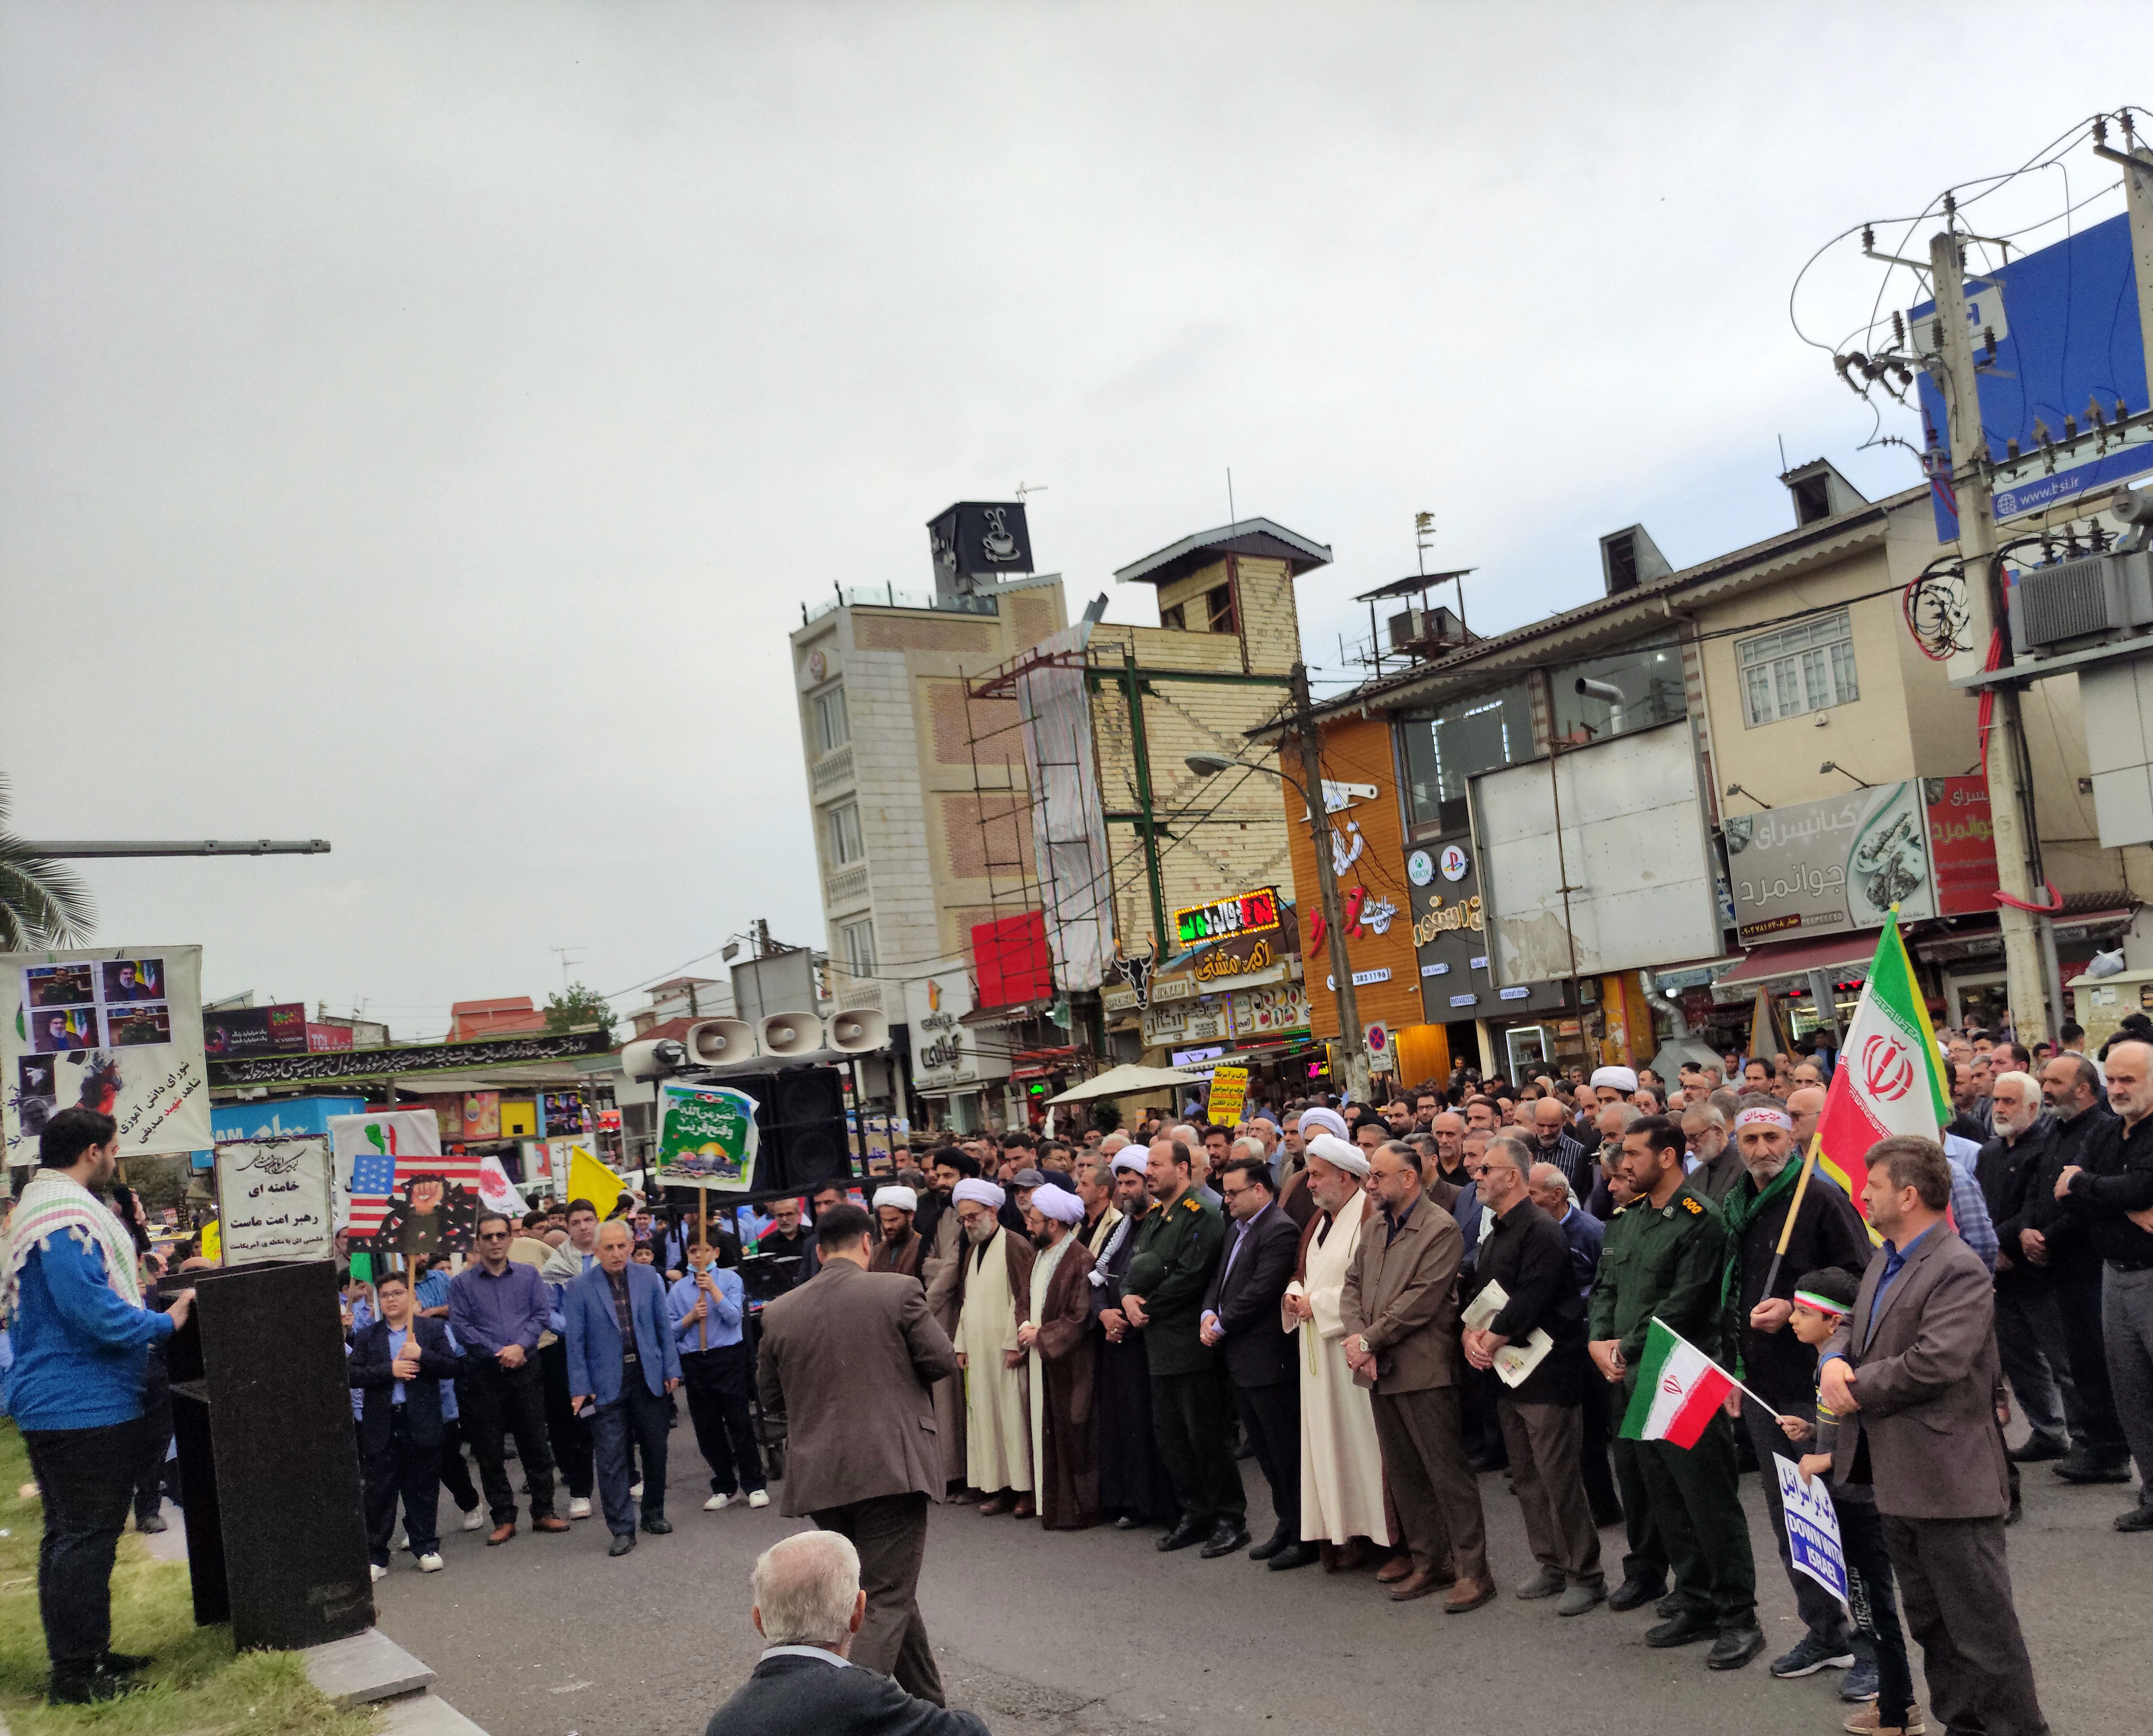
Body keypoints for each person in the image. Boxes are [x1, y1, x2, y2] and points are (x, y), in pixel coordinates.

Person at [1820, 1136, 2046, 1736]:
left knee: (1983, 1634)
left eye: (1873, 1185)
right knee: (1935, 1627)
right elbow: (1850, 1322)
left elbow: (1935, 1363)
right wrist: (1832, 1360)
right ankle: (1963, 1726)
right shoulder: (1886, 1256)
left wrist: (1856, 1384)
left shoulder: (1957, 1266)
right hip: (1898, 1478)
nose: (1862, 1194)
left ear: (1909, 1194)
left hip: (1950, 1482)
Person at [3, 1107, 194, 1705]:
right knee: (83, 1538)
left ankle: (87, 1653)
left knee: (75, 1536)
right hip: (79, 1403)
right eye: (114, 1147)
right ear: (92, 1151)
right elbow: (93, 1311)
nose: (117, 1157)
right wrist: (164, 1322)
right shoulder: (63, 1219)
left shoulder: (45, 1206)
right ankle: (78, 1675)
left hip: (68, 1400)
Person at [755, 1203, 961, 1706]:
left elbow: (770, 1398)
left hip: (821, 1473)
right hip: (891, 1464)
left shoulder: (780, 1310)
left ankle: (929, 1706)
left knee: (883, 1590)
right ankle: (839, 1707)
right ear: (867, 1243)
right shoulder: (896, 1290)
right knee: (886, 1594)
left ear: (820, 1250)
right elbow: (940, 1360)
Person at [1588, 1114, 1761, 1669]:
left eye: (1635, 1154)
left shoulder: (1698, 1220)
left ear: (1667, 1157)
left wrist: (1623, 1347)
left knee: (1708, 1499)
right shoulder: (1629, 1218)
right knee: (1665, 1495)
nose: (1624, 1165)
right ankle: (1697, 1595)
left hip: (1682, 1372)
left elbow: (1684, 1304)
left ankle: (1739, 1615)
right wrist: (1599, 1338)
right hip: (1636, 1372)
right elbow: (1608, 1285)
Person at [1719, 1097, 1873, 1682]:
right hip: (1760, 1382)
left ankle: (1871, 1644)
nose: (1761, 1149)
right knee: (1794, 1519)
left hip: (1817, 1383)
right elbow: (1734, 1290)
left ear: (1792, 1139)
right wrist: (1735, 1363)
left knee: (1844, 1518)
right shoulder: (1739, 1201)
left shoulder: (1820, 1195)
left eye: (1770, 1138)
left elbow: (1865, 1278)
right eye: (1750, 1139)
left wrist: (1799, 1305)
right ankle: (1823, 1630)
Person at [1341, 1139, 1495, 1611]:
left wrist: (1369, 1339)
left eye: (1378, 1176)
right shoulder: (1374, 1226)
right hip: (1380, 1369)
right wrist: (1355, 1335)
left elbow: (1423, 1298)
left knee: (1445, 1472)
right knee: (1406, 1472)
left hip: (1423, 1368)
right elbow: (1351, 1284)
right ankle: (1430, 1560)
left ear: (1408, 1178)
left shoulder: (1439, 1227)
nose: (1370, 1184)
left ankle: (1474, 1570)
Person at [1777, 1270, 1922, 1736]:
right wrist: (1811, 1430)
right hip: (1842, 1498)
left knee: (1871, 1602)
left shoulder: (1847, 1366)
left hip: (1863, 1504)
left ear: (1834, 1319)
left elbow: (1872, 1437)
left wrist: (1826, 1457)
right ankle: (1893, 1702)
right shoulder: (1824, 1358)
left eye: (1803, 1312)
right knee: (1864, 1599)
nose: (1792, 1319)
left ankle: (1896, 1708)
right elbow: (1838, 1427)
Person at [1464, 1134, 1602, 1615]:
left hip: (1547, 1373)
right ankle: (1550, 1562)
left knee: (1558, 1474)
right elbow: (1484, 1294)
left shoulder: (1542, 1230)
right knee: (1526, 1474)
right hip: (1507, 1373)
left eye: (1486, 1169)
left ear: (1512, 1176)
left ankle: (1585, 1572)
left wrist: (1492, 1337)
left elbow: (1532, 1295)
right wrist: (1469, 1334)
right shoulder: (1496, 1231)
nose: (1477, 1176)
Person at [704, 1530, 989, 1736]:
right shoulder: (862, 1696)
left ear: (759, 1621)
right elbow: (971, 1732)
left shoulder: (725, 1722)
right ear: (858, 1613)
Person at [2014, 1054, 2133, 1482]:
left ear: (2083, 1088)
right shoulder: (2055, 1130)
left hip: (2089, 1264)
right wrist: (2027, 1228)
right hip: (2058, 1265)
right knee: (2079, 1361)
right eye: (2043, 1079)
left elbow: (2085, 1199)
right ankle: (2092, 1442)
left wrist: (2049, 1235)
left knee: (2099, 1364)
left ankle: (2110, 1449)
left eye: (2053, 1081)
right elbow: (2038, 1186)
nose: (2044, 1087)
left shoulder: (2102, 1130)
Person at [1122, 1136, 1241, 1557]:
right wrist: (1126, 1298)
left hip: (1190, 1344)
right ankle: (1195, 1511)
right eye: (1147, 1165)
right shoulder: (1155, 1217)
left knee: (1205, 1435)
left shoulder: (1201, 1214)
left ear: (1183, 1169)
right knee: (1171, 1437)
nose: (1148, 1172)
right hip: (1159, 1347)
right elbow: (1135, 1265)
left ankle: (1230, 1517)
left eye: (1156, 1164)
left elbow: (1190, 1276)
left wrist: (1145, 1306)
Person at [2053, 1036, 2153, 1530]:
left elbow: (2140, 1184)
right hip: (2112, 1276)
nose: (2115, 1088)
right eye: (2110, 1078)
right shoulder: (2104, 1134)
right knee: (2131, 1393)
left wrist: (2089, 1187)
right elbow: (2067, 1196)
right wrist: (2123, 1204)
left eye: (2127, 1079)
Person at [1199, 1154, 1312, 1569]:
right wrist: (1208, 1312)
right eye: (1225, 1192)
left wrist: (1222, 1323)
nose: (1225, 1199)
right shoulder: (1237, 1228)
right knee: (1264, 1450)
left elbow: (1261, 1290)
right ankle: (1285, 1523)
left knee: (1284, 1450)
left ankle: (1303, 1532)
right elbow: (1220, 1279)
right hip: (1240, 1358)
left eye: (1233, 1192)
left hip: (1268, 1359)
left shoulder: (1279, 1229)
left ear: (1260, 1189)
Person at [1283, 1135, 1388, 1569]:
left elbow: (1369, 1283)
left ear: (1345, 1177)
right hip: (1317, 1358)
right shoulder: (1319, 1220)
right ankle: (1346, 1532)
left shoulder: (1366, 1213)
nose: (1310, 1183)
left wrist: (1318, 1304)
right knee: (1331, 1449)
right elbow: (1302, 1270)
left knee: (1363, 1447)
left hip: (1348, 1351)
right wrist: (1294, 1293)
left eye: (1317, 1175)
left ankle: (1381, 1537)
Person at [449, 1212, 571, 1545]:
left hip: (526, 1369)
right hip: (484, 1375)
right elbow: (462, 1328)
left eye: (501, 1235)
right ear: (477, 1242)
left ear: (510, 1238)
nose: (495, 1242)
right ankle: (503, 1517)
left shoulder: (530, 1276)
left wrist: (520, 1347)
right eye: (487, 1237)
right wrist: (499, 1352)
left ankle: (544, 1511)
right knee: (489, 1449)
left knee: (535, 1442)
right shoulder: (461, 1284)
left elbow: (541, 1314)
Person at [1978, 1072, 2076, 1467]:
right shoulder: (1988, 1153)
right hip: (2000, 1273)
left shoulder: (2046, 1148)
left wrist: (2001, 1241)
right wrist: (1991, 1247)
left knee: (2062, 1358)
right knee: (2019, 1359)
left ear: (2033, 1108)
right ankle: (2047, 1430)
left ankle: (2087, 1436)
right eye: (1997, 1100)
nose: (1999, 1108)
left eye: (2009, 1101)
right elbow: (1981, 1207)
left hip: (2037, 1270)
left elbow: (2035, 1206)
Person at [565, 1220, 681, 1555]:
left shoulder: (649, 1278)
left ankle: (653, 1513)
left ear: (631, 1247)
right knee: (612, 1458)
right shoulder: (580, 1287)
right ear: (596, 1251)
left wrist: (671, 1367)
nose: (617, 1254)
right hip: (604, 1384)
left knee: (656, 1448)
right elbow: (576, 1343)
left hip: (648, 1373)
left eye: (622, 1246)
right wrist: (580, 1388)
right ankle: (622, 1529)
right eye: (609, 1248)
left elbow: (663, 1325)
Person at [349, 1269, 463, 1579]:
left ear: (411, 1297)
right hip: (382, 1421)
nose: (391, 1300)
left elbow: (452, 1367)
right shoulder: (368, 1336)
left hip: (422, 1419)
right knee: (380, 1490)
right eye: (385, 1295)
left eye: (398, 1293)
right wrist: (391, 1369)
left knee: (422, 1486)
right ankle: (377, 1555)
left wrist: (422, 1355)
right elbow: (352, 1374)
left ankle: (425, 1545)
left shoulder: (429, 1331)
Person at [1089, 1152, 1175, 1527]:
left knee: (1150, 1423)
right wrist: (1103, 1313)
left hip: (1146, 1342)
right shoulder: (1119, 1228)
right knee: (1122, 1423)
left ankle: (1157, 1504)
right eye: (1121, 1184)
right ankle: (1128, 1501)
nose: (1125, 1191)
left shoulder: (1162, 1225)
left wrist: (1126, 1317)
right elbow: (1096, 1277)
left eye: (1132, 1183)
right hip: (1116, 1341)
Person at [948, 1178, 1036, 1516]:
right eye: (964, 1218)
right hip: (980, 1354)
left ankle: (1025, 1491)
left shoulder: (1014, 1244)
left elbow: (1025, 1298)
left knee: (1014, 1421)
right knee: (988, 1421)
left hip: (1007, 1352)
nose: (969, 1223)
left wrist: (1016, 1344)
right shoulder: (973, 1249)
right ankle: (999, 1487)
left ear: (993, 1211)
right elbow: (967, 1301)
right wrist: (962, 1344)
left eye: (974, 1216)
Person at [1014, 1182, 1098, 1531]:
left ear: (1053, 1224)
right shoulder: (1040, 1256)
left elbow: (1079, 1317)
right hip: (1042, 1358)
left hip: (1070, 1364)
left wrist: (1042, 1336)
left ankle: (1077, 1510)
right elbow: (1025, 1298)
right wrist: (1024, 1325)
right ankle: (1053, 1506)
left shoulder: (1080, 1259)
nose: (1028, 1227)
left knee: (1072, 1432)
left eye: (1034, 1221)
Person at [669, 1235, 768, 1511]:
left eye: (705, 1250)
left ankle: (754, 1484)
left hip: (728, 1356)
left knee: (739, 1421)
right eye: (693, 1251)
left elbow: (735, 1317)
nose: (699, 1256)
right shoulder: (678, 1291)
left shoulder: (730, 1280)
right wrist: (689, 1318)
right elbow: (670, 1329)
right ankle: (725, 1484)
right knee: (707, 1427)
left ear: (716, 1252)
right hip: (695, 1360)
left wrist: (713, 1290)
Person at [540, 1198, 604, 1520]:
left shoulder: (614, 1253)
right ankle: (580, 1491)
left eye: (588, 1220)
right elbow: (547, 1313)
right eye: (576, 1222)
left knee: (615, 1417)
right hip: (572, 1354)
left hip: (612, 1351)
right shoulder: (556, 1267)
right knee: (577, 1422)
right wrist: (577, 1329)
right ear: (568, 1226)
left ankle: (631, 1478)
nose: (583, 1226)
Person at [868, 1187, 924, 1279]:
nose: (887, 1226)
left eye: (893, 1220)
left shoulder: (925, 1249)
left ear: (911, 1215)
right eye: (884, 1220)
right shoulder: (876, 1252)